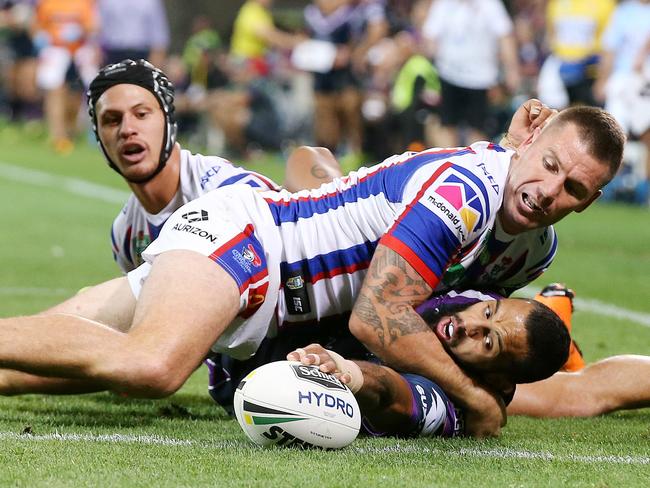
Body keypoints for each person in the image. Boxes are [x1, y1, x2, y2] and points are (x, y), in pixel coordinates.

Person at [0, 97, 624, 438]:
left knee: (35, 369)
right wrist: (473, 402)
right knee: (152, 365)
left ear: (592, 202)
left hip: (264, 301)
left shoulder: (532, 251)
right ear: (528, 146)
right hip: (249, 246)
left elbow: (451, 323)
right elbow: (380, 319)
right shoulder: (465, 192)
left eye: (572, 187)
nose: (548, 189)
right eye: (546, 164)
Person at [86, 59, 343, 273]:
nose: (127, 129)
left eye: (141, 114)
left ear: (168, 121)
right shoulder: (127, 235)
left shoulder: (229, 191)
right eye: (111, 120)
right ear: (99, 137)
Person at [421, 0, 520, 147]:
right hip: (448, 75)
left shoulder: (490, 5)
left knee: (477, 130)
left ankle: (473, 166)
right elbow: (430, 36)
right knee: (447, 126)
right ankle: (448, 162)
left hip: (480, 79)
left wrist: (512, 69)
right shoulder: (444, 4)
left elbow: (505, 36)